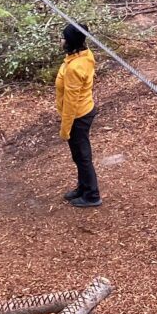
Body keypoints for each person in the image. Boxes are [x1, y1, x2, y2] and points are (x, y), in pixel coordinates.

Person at [56, 23, 100, 208]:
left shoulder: (75, 68)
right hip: (84, 110)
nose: (61, 40)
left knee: (82, 156)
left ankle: (92, 195)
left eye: (64, 37)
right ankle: (83, 187)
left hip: (78, 116)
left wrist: (65, 130)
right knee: (79, 155)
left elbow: (71, 102)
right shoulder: (83, 54)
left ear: (71, 42)